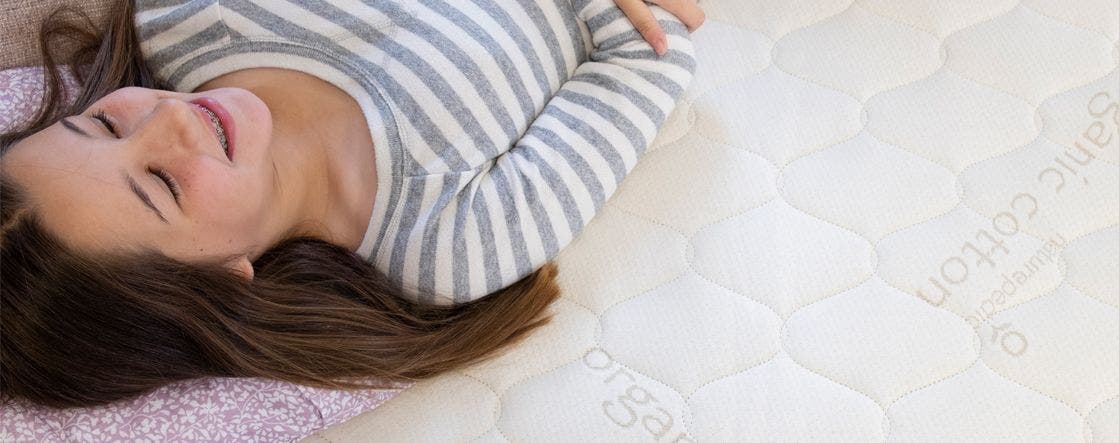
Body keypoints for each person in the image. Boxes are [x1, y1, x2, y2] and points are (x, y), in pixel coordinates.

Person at [0, 0, 702, 408]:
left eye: (103, 124)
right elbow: (651, 52)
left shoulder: (189, 14)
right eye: (161, 183)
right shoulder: (448, 236)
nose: (167, 122)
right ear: (219, 280)